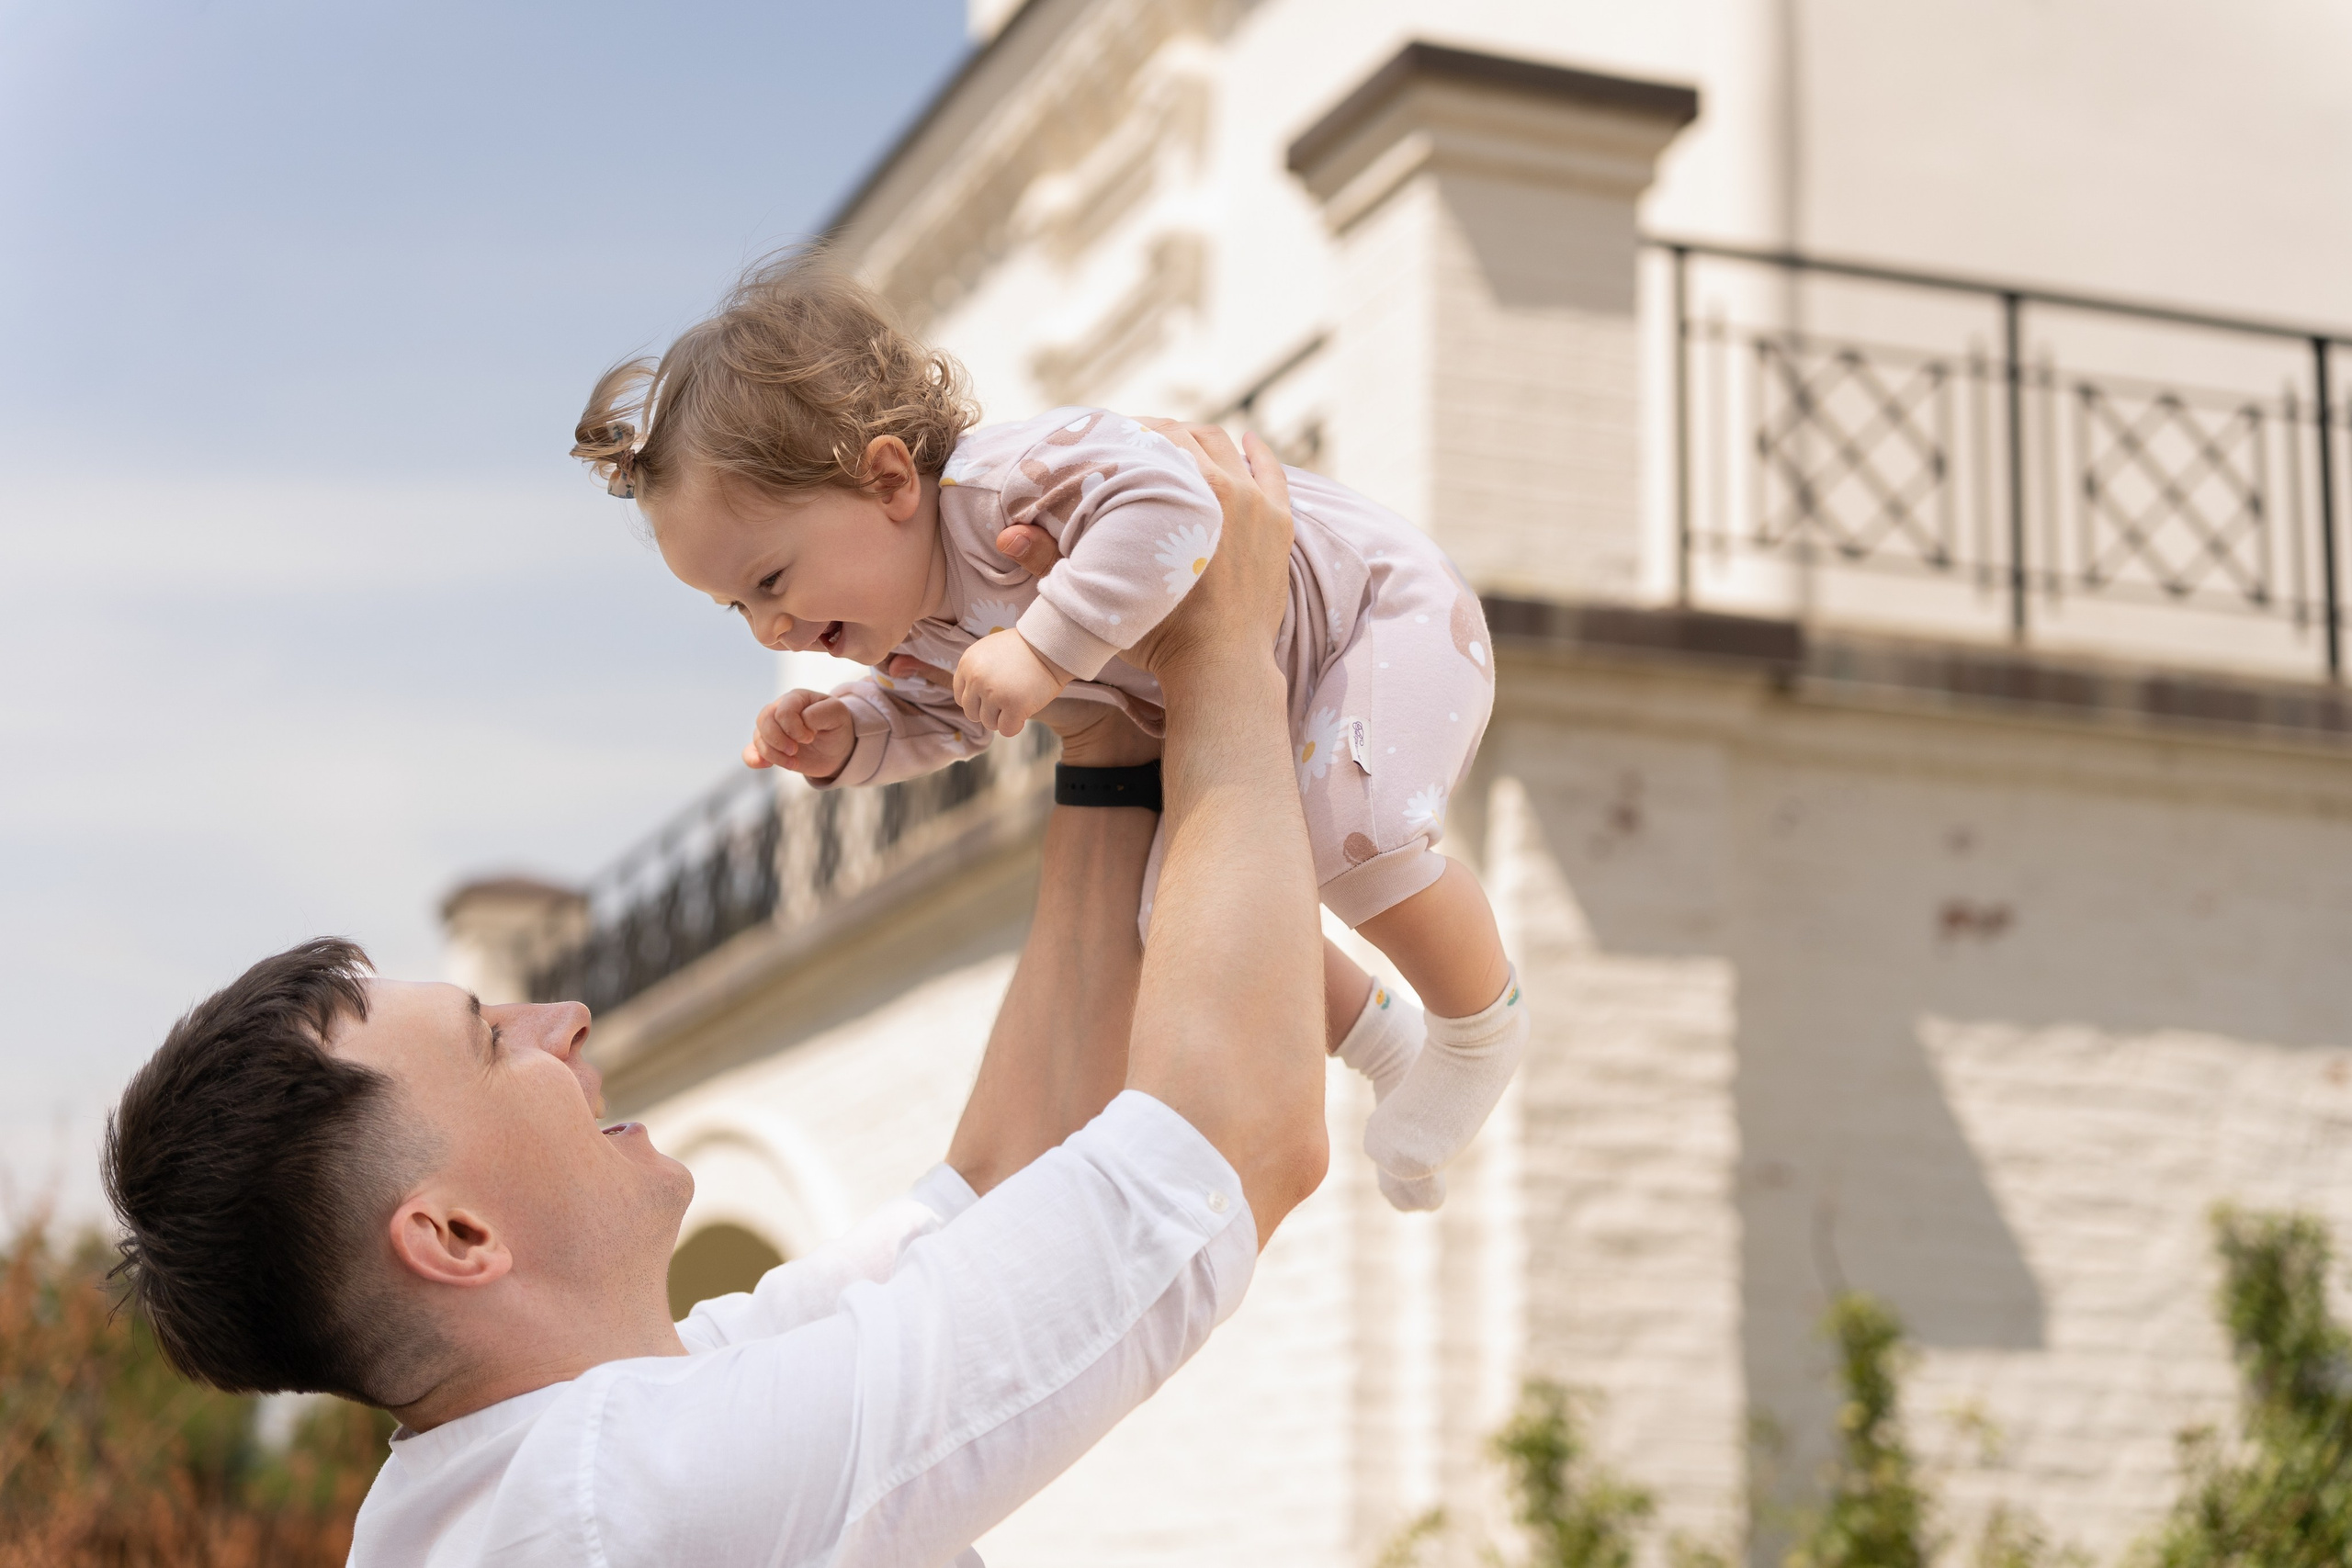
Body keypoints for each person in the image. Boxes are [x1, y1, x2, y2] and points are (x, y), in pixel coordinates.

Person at [102, 425, 1328, 1567]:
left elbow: (989, 1188)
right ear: (455, 1236)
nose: (563, 1018)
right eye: (491, 1041)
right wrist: (1222, 641)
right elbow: (1230, 1141)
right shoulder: (629, 1490)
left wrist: (1105, 737)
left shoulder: (571, 1442)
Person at [571, 250, 1527, 1212]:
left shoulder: (1004, 485)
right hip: (1288, 679)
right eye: (737, 607)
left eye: (771, 579)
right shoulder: (921, 625)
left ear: (890, 480)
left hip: (1378, 612)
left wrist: (1043, 645)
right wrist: (851, 737)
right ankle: (1386, 1042)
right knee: (1176, 915)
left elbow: (1175, 502)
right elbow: (951, 713)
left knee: (1354, 833)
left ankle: (1479, 1028)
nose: (769, 628)